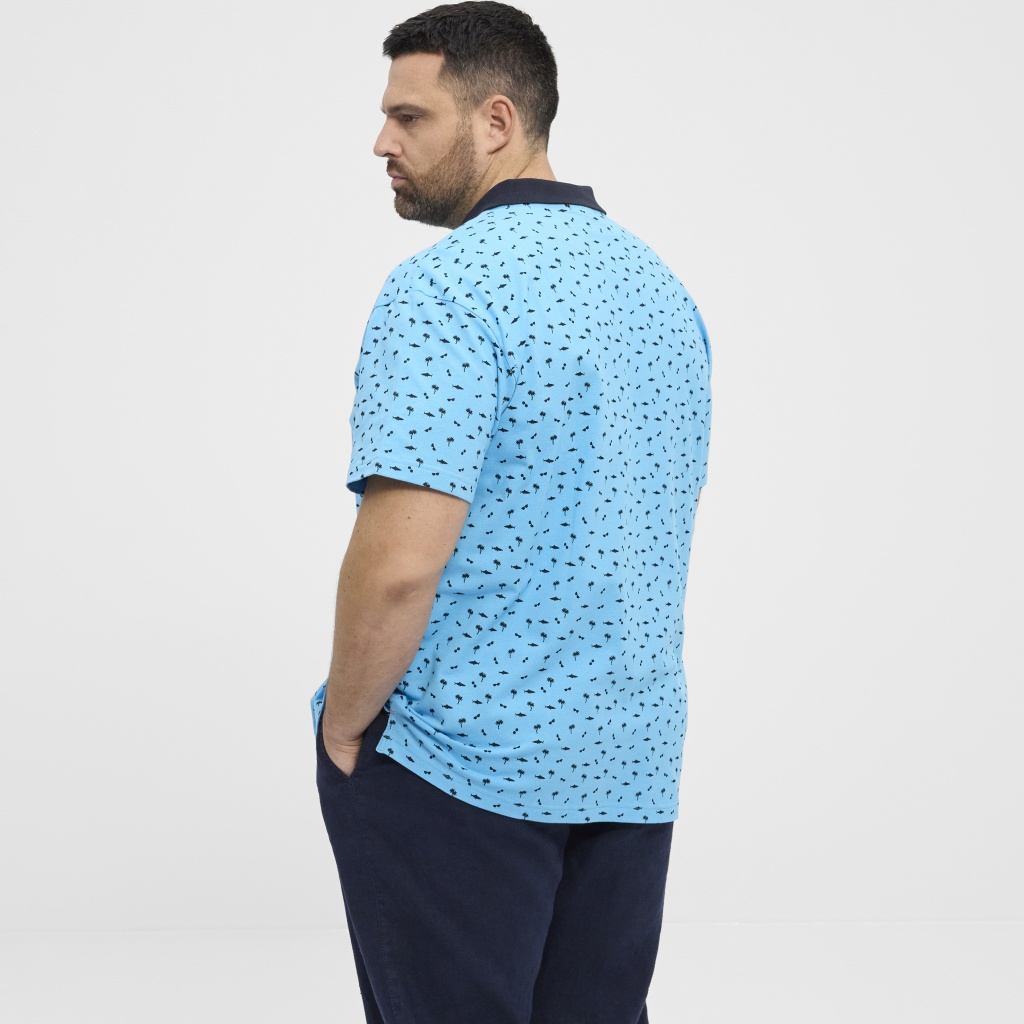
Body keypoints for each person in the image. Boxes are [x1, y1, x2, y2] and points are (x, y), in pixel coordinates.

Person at [310, 3, 711, 1022]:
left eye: (409, 116)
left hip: (459, 762)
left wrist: (345, 725)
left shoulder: (444, 290)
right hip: (627, 760)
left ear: (496, 120)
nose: (381, 142)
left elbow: (400, 562)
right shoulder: (660, 290)